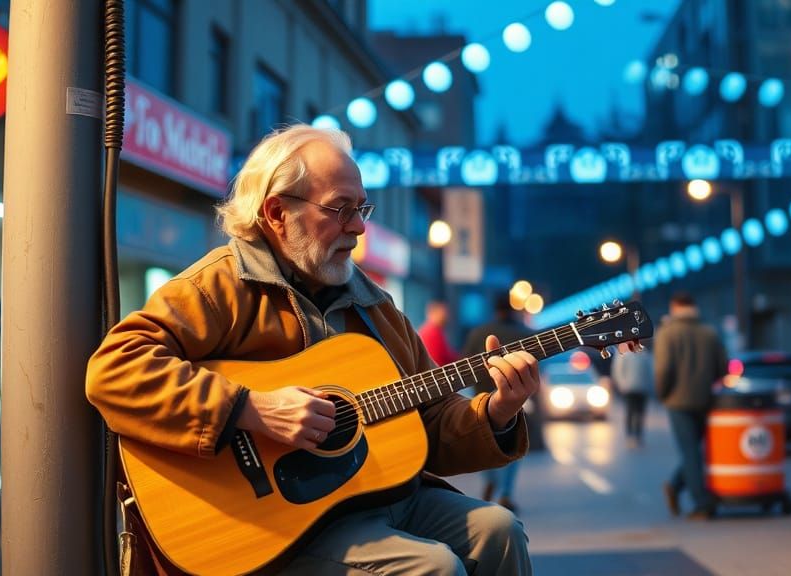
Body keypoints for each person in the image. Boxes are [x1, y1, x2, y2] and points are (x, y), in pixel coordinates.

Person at [86, 125, 540, 575]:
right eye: (341, 209)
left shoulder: (376, 307)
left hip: (381, 498)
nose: (360, 227)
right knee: (432, 568)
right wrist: (250, 408)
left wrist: (497, 411)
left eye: (362, 208)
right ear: (277, 212)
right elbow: (114, 371)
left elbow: (432, 422)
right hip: (276, 529)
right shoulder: (219, 286)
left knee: (500, 530)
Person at [654, 292, 727, 520]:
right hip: (706, 400)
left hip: (677, 401)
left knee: (690, 451)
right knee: (697, 451)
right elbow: (723, 368)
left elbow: (663, 369)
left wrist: (663, 394)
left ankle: (701, 504)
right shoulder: (709, 332)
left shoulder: (668, 333)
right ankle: (676, 487)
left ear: (674, 307)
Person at [462, 293, 535, 512]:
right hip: (513, 399)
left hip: (481, 399)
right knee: (513, 447)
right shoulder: (522, 333)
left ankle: (491, 478)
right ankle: (505, 493)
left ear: (495, 310)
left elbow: (465, 361)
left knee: (484, 442)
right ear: (513, 309)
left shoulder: (478, 333)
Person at [612, 340, 653, 448]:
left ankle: (638, 435)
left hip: (642, 388)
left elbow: (650, 371)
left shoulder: (644, 354)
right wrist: (622, 385)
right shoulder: (625, 355)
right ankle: (630, 436)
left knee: (640, 413)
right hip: (629, 388)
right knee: (631, 412)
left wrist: (650, 386)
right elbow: (618, 370)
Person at [418, 300, 459, 366]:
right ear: (434, 313)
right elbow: (440, 357)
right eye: (443, 313)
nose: (446, 316)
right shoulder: (432, 331)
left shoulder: (428, 329)